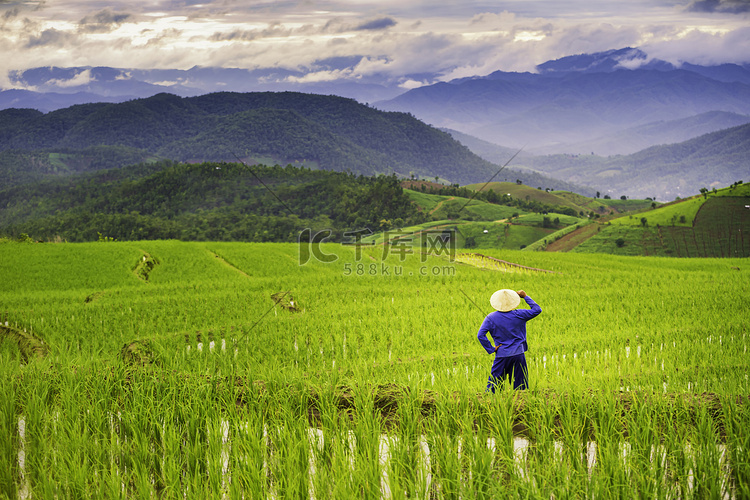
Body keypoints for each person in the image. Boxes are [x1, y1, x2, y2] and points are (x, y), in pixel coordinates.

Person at [477, 289, 541, 392]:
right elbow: (537, 309)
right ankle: (520, 405)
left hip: (501, 355)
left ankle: (493, 404)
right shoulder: (520, 314)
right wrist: (525, 296)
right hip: (518, 354)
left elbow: (480, 335)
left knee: (494, 386)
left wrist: (491, 349)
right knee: (521, 387)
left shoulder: (490, 317)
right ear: (513, 302)